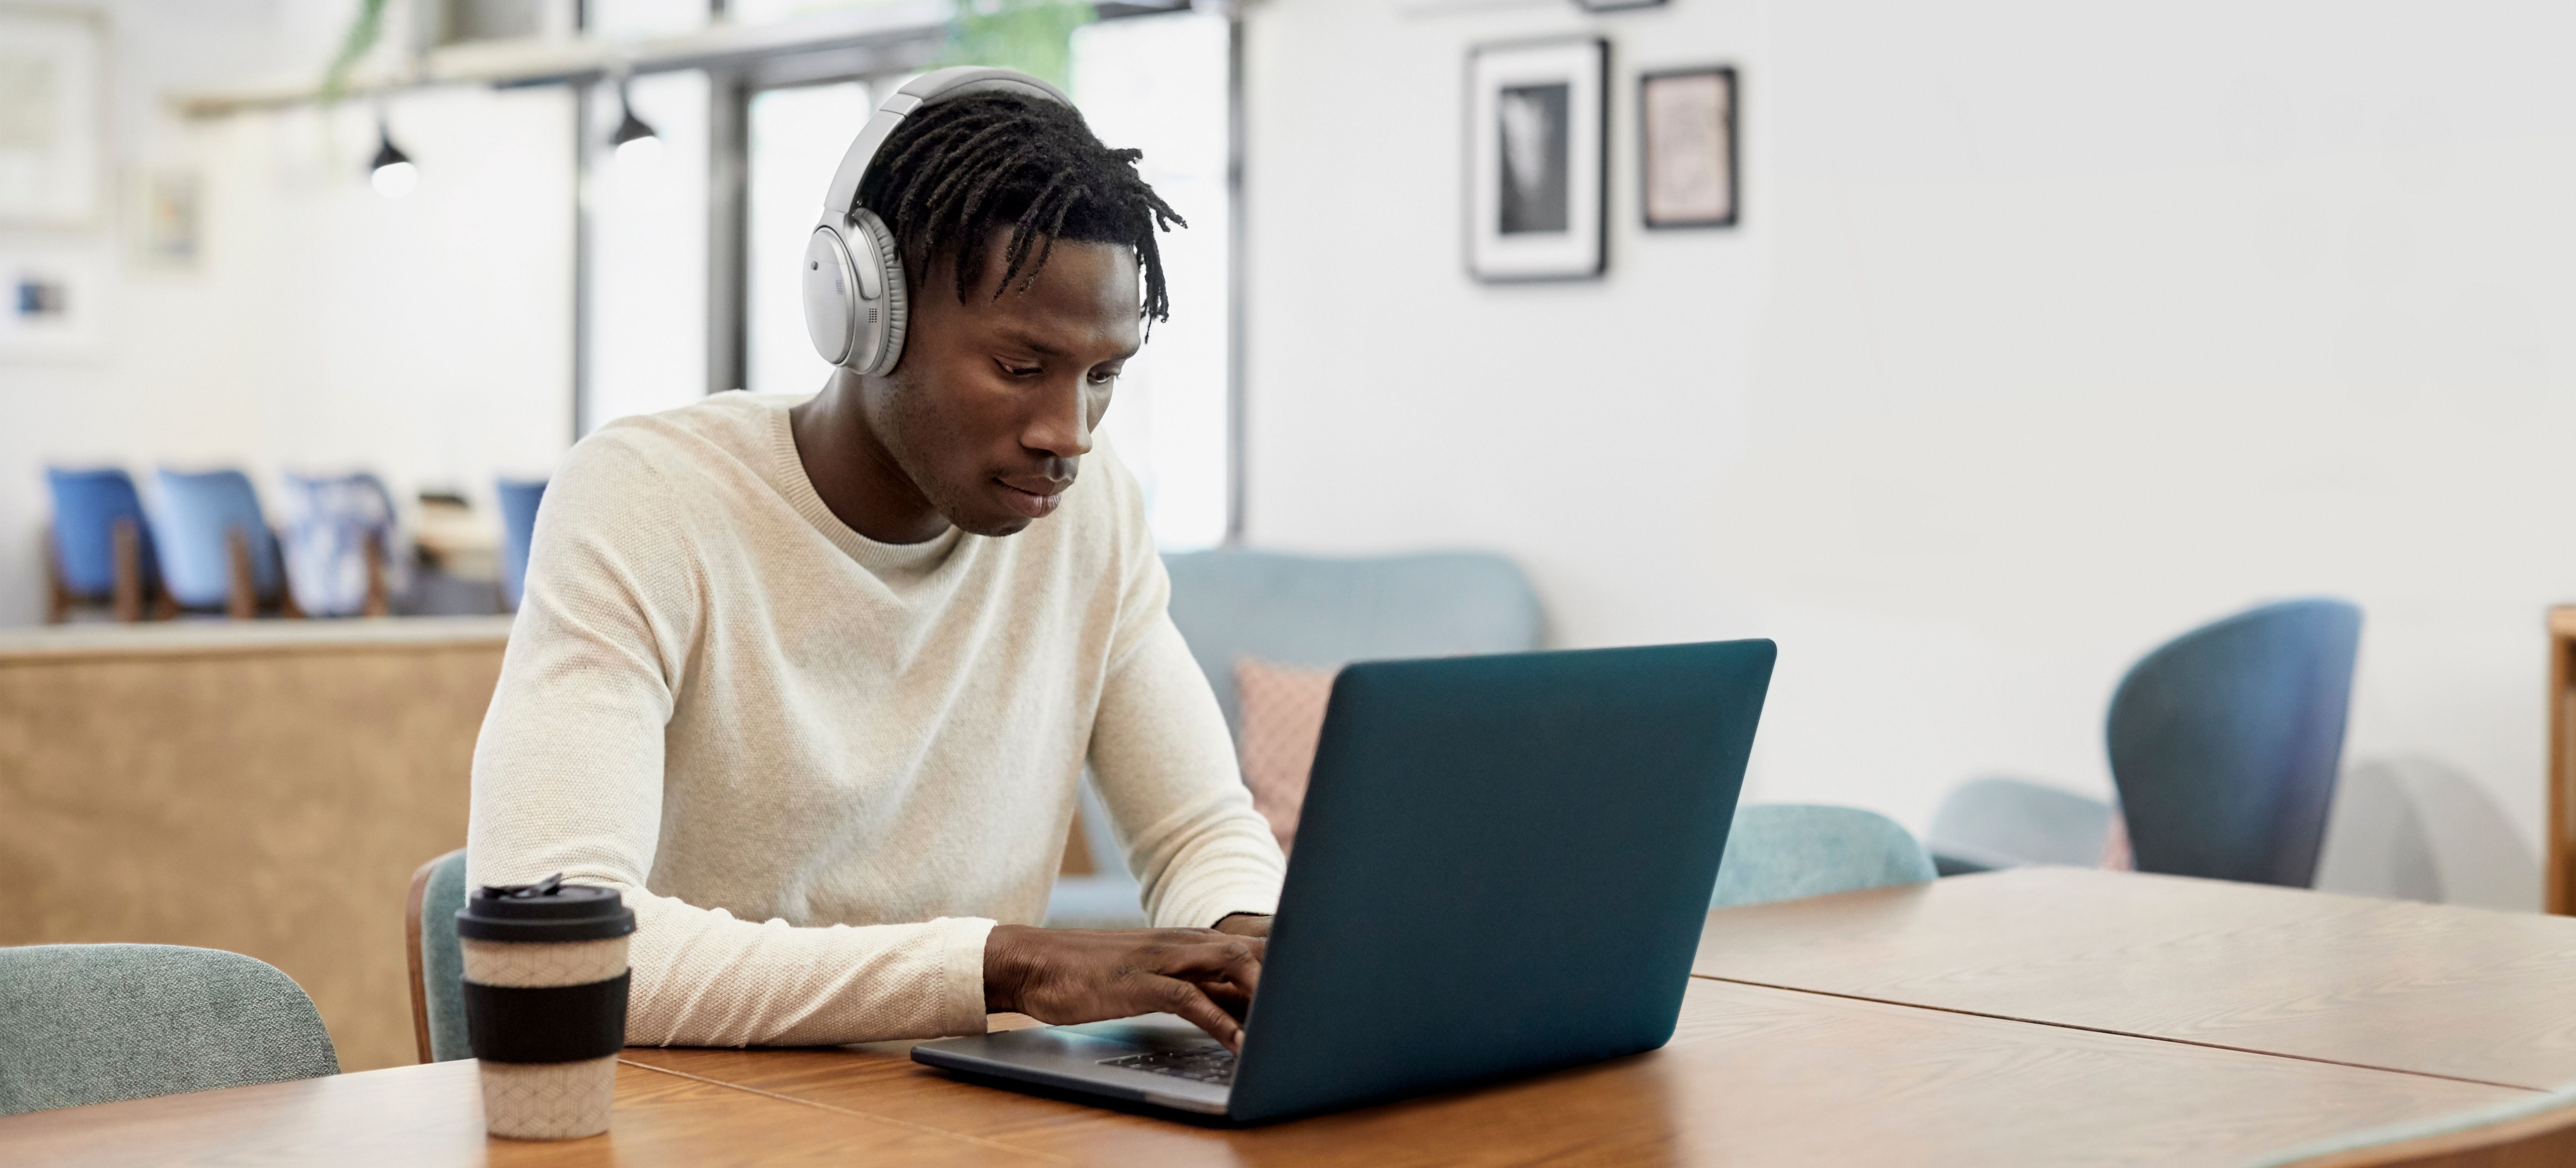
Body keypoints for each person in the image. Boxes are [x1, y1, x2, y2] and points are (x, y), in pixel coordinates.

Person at [468, 83, 1284, 1053]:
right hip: (699, 1115)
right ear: (864, 317)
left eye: (1102, 375)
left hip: (965, 1120)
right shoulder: (647, 501)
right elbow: (563, 952)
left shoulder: (1089, 514)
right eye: (1022, 369)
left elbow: (1197, 831)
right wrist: (1005, 966)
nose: (1068, 435)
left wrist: (1247, 948)